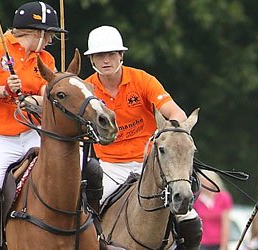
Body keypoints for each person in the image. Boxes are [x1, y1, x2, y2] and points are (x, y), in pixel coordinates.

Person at [83, 25, 202, 249]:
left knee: (190, 221)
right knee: (84, 218)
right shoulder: (87, 89)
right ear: (92, 60)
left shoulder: (142, 80)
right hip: (109, 167)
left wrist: (171, 130)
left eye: (111, 54)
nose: (106, 60)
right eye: (100, 55)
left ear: (121, 55)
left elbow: (176, 113)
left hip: (150, 166)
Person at [0, 1, 67, 247]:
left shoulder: (45, 59)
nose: (50, 41)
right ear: (37, 33)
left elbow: (48, 94)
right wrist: (3, 90)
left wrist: (36, 99)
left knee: (68, 179)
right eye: (49, 35)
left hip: (33, 133)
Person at [193, 171, 233, 250]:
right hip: (200, 243)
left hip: (217, 243)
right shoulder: (195, 198)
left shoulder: (223, 198)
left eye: (206, 181)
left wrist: (224, 246)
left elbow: (226, 224)